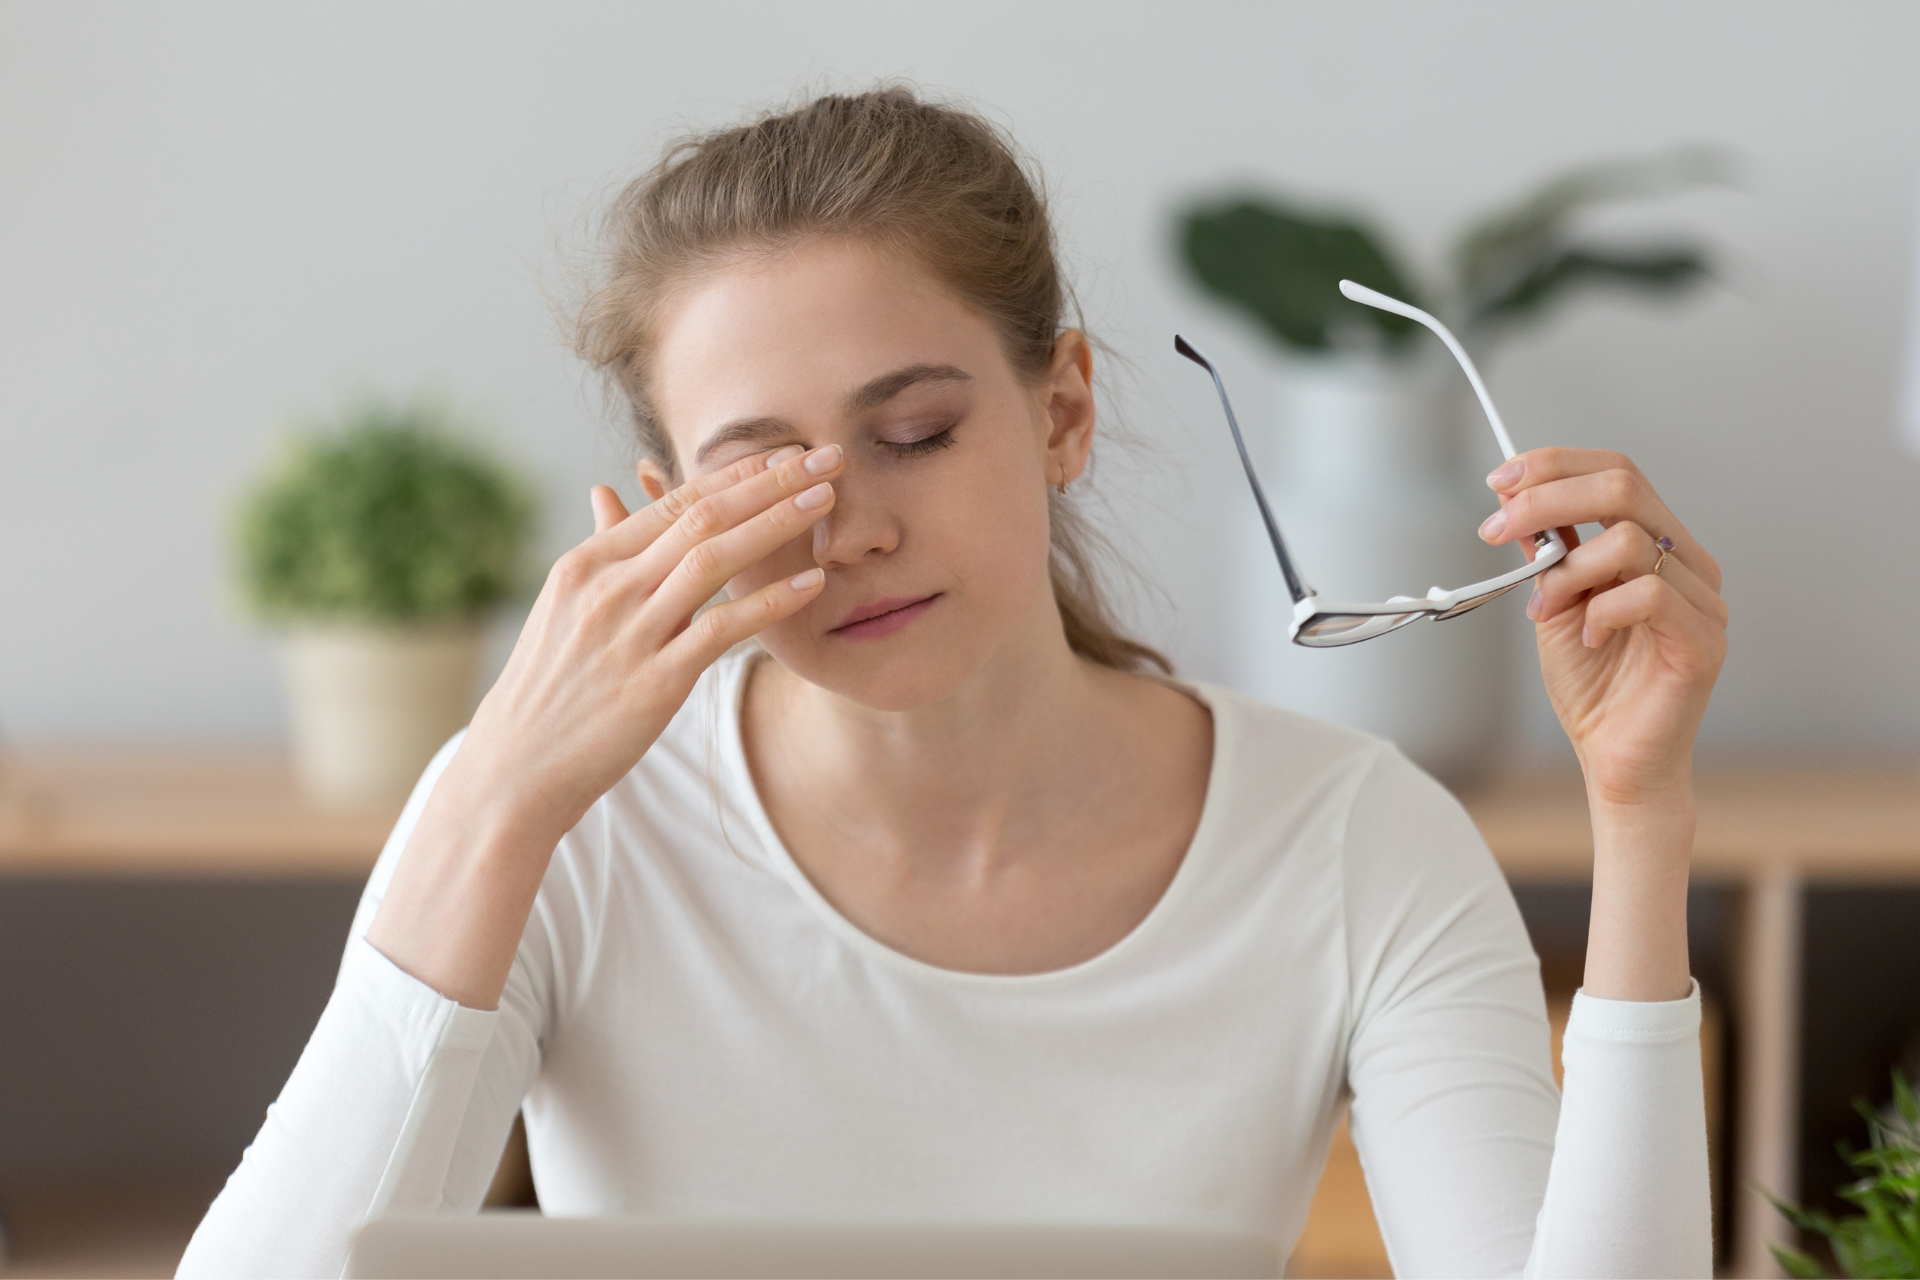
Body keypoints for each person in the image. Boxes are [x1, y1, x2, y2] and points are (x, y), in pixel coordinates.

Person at [178, 87, 1728, 1279]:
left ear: (1062, 412)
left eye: (914, 432)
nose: (850, 524)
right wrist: (500, 797)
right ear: (662, 513)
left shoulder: (1353, 846)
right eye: (761, 478)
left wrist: (1638, 811)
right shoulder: (565, 836)